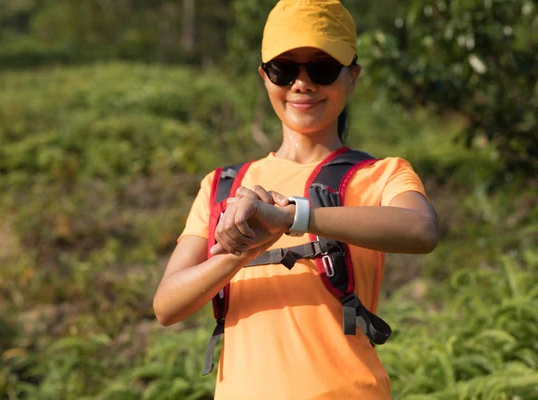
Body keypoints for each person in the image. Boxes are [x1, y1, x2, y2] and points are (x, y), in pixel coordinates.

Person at [153, 0, 439, 398]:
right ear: (264, 77)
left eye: (321, 69)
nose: (301, 85)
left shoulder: (382, 175)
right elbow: (167, 305)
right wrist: (242, 250)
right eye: (284, 71)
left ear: (352, 76)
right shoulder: (220, 185)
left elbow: (421, 229)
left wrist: (293, 218)